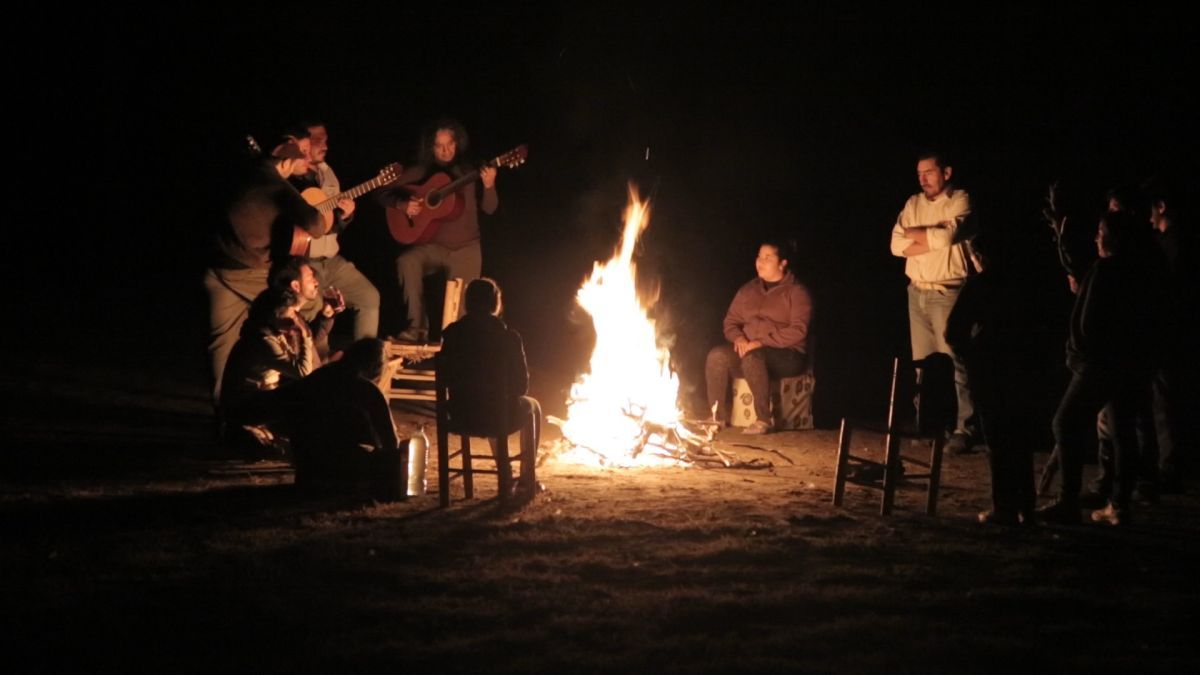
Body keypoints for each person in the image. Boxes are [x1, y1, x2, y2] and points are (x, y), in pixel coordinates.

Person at [1038, 211, 1164, 526]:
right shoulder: (1141, 272)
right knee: (1122, 430)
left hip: (1099, 364)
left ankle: (1068, 500)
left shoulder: (1106, 270)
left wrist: (1080, 357)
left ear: (1116, 238)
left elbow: (1091, 322)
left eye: (1101, 231)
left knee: (1065, 422)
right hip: (1128, 363)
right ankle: (1119, 505)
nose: (1096, 237)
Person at [204, 135, 324, 403]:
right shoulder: (274, 183)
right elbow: (316, 224)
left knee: (221, 345)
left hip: (216, 267)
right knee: (306, 304)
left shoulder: (243, 171)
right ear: (287, 161)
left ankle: (225, 414)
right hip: (249, 271)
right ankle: (313, 395)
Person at [377, 119, 498, 342]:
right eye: (439, 145)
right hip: (434, 246)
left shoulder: (469, 171)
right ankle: (417, 328)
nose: (446, 150)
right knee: (407, 261)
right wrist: (403, 205)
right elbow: (381, 191)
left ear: (458, 143)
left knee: (459, 317)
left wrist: (489, 185)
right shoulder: (421, 172)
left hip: (467, 248)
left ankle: (454, 344)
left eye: (450, 144)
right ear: (430, 147)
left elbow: (490, 208)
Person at [945, 231, 1036, 525]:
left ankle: (1004, 506)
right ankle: (1026, 506)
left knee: (997, 439)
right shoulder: (1022, 284)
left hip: (990, 369)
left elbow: (953, 331)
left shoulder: (980, 285)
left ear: (979, 257)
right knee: (1019, 439)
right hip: (1021, 368)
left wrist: (969, 356)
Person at [889, 150, 977, 454]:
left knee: (956, 364)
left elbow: (949, 237)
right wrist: (933, 236)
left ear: (946, 172)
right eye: (919, 174)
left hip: (948, 290)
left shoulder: (960, 200)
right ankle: (930, 424)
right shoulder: (913, 203)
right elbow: (896, 245)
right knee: (923, 367)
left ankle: (964, 427)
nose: (923, 179)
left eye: (929, 172)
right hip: (917, 291)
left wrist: (916, 235)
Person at [439, 278, 539, 495]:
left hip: (460, 414)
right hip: (494, 414)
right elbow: (521, 387)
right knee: (530, 406)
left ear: (467, 302)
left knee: (494, 402)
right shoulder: (508, 337)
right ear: (495, 303)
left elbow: (444, 377)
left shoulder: (452, 335)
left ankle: (506, 471)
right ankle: (526, 477)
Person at [277, 338, 406, 500]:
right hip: (345, 469)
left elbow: (282, 404)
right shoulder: (367, 390)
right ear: (375, 366)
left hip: (307, 465)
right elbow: (390, 441)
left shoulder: (318, 377)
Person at [705, 240, 813, 434]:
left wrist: (761, 342)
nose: (760, 262)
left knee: (752, 358)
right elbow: (730, 322)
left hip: (787, 355)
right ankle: (716, 417)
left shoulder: (796, 292)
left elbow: (799, 330)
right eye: (759, 256)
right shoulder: (748, 290)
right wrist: (739, 339)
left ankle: (763, 419)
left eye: (767, 258)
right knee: (717, 356)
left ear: (782, 263)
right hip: (750, 350)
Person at [287, 120, 380, 340]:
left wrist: (345, 217)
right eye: (317, 140)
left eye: (326, 140)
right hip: (304, 262)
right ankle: (311, 357)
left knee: (369, 297)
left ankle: (364, 357)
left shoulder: (329, 174)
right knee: (315, 311)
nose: (324, 146)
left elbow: (329, 225)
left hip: (331, 260)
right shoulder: (290, 178)